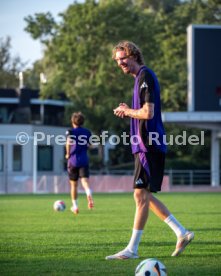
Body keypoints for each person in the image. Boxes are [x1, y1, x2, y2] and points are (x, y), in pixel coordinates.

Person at [106, 41, 194, 260]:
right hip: (144, 145)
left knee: (140, 195)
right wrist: (128, 110)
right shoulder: (139, 79)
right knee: (143, 195)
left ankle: (132, 250)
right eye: (117, 60)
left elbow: (147, 113)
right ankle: (181, 232)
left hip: (148, 144)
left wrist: (128, 112)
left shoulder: (145, 76)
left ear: (134, 55)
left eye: (123, 58)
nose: (120, 63)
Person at [65, 112, 94, 214]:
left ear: (73, 121)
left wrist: (68, 154)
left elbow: (68, 143)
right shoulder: (87, 132)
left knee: (74, 185)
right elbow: (91, 146)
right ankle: (88, 193)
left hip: (73, 161)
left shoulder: (70, 132)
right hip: (84, 160)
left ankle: (75, 207)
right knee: (85, 182)